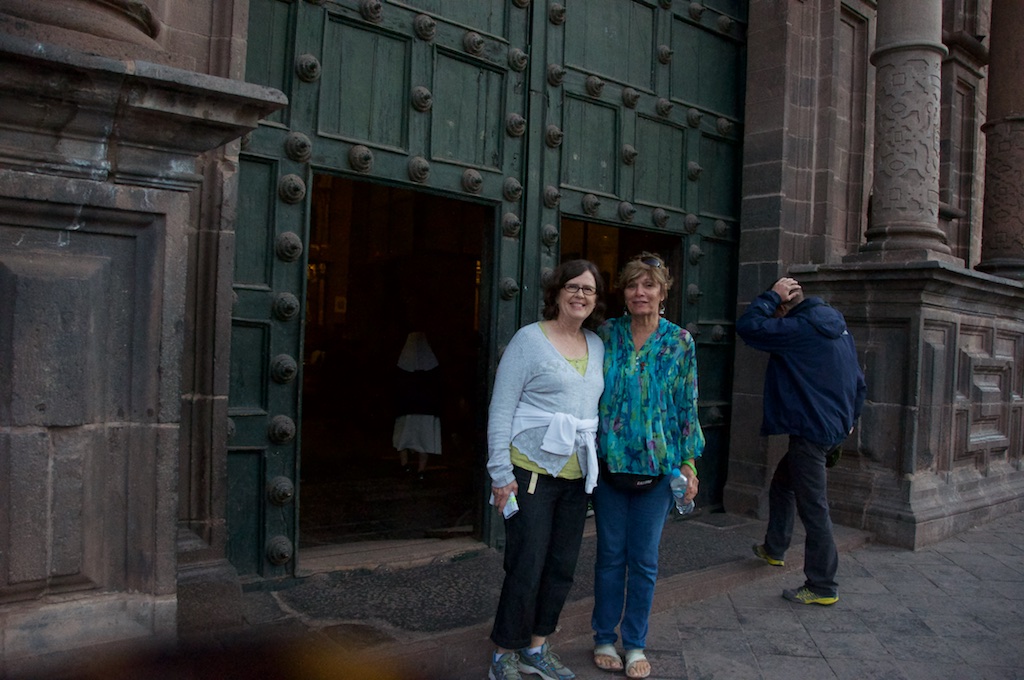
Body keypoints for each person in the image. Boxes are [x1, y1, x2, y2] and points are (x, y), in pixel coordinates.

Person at [486, 260, 606, 680]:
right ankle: (504, 653)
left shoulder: (597, 344)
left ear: (596, 299)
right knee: (526, 564)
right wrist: (500, 474)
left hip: (577, 478)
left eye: (588, 289)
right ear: (556, 292)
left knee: (561, 567)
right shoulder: (529, 340)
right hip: (530, 472)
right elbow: (502, 408)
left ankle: (536, 647)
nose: (580, 295)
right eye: (572, 287)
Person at [591, 252, 703, 679]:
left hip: (658, 470)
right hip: (610, 466)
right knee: (609, 556)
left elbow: (686, 405)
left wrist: (689, 464)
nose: (640, 292)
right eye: (633, 284)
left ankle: (635, 643)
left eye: (649, 285)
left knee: (644, 560)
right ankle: (604, 637)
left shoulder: (680, 342)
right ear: (623, 291)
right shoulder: (606, 334)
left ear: (663, 292)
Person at [736, 276, 866, 606]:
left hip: (812, 433)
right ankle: (774, 548)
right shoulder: (838, 328)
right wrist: (851, 419)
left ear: (783, 308)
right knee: (783, 484)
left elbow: (749, 327)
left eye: (776, 310)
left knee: (814, 508)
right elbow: (859, 380)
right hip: (833, 428)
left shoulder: (799, 328)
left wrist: (770, 296)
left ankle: (822, 585)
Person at [392, 331, 443, 480]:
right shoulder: (433, 368)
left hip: (406, 411)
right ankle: (421, 470)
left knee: (403, 439)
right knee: (424, 442)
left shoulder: (402, 367)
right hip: (427, 412)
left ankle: (405, 465)